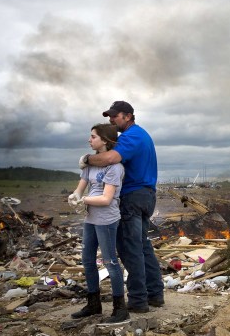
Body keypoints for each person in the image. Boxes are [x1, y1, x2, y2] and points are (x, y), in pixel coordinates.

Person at [79, 101, 164, 313]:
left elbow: (111, 157)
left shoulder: (131, 136)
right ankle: (155, 294)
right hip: (145, 195)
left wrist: (87, 159)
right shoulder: (140, 135)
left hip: (133, 196)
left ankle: (137, 300)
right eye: (110, 116)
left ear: (128, 116)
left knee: (130, 248)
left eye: (115, 116)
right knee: (142, 246)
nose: (111, 119)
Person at [69, 123, 129, 323]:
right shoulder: (91, 164)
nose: (89, 140)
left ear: (105, 140)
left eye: (93, 137)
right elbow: (81, 187)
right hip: (91, 218)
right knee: (87, 260)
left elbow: (106, 199)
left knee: (110, 262)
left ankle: (120, 309)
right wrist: (75, 195)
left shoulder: (115, 167)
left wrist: (82, 200)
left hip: (106, 219)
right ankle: (94, 304)